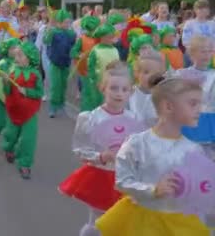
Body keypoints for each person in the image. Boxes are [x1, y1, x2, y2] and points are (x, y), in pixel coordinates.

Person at [96, 76, 210, 236]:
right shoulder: (137, 143)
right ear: (168, 106)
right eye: (193, 103)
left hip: (179, 223)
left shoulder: (194, 149)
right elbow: (122, 181)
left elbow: (199, 191)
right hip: (142, 221)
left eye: (199, 103)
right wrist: (153, 189)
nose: (200, 109)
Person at [59, 61, 134, 236]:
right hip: (101, 175)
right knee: (98, 221)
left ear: (131, 91)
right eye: (114, 88)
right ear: (103, 89)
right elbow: (80, 149)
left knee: (120, 221)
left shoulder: (133, 119)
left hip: (125, 177)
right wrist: (101, 156)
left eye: (124, 89)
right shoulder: (91, 118)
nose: (119, 94)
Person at [1, 41, 43, 179]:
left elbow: (39, 93)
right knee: (11, 134)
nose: (16, 58)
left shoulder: (36, 74)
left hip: (30, 112)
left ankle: (25, 164)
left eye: (20, 55)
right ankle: (8, 148)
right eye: (16, 55)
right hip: (14, 110)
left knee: (28, 139)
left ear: (29, 58)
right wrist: (6, 82)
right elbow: (7, 92)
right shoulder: (13, 72)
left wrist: (27, 91)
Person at [180, 36, 215, 144]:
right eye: (203, 51)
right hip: (189, 121)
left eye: (210, 51)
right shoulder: (182, 74)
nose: (207, 55)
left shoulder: (213, 75)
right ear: (192, 54)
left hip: (209, 120)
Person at [45, 8, 76, 118]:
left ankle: (61, 104)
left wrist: (75, 54)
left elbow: (74, 47)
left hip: (66, 63)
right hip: (55, 63)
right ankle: (53, 106)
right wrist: (48, 29)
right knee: (55, 85)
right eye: (65, 22)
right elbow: (46, 41)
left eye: (69, 22)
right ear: (58, 22)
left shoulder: (71, 34)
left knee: (63, 85)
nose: (67, 24)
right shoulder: (53, 32)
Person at [86, 23, 120, 110]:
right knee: (98, 104)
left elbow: (118, 65)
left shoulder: (115, 49)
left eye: (112, 36)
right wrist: (94, 80)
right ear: (102, 37)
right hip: (99, 83)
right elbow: (91, 67)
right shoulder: (96, 50)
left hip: (112, 82)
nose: (112, 39)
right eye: (109, 37)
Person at [71, 16, 101, 111]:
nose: (93, 31)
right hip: (85, 71)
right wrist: (80, 55)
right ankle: (87, 114)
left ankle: (97, 113)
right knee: (87, 93)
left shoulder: (100, 39)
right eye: (91, 29)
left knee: (98, 93)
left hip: (98, 71)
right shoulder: (82, 39)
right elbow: (73, 52)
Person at [129, 51, 165, 129]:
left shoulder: (162, 96)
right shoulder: (130, 93)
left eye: (156, 73)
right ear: (137, 73)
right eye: (146, 72)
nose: (151, 76)